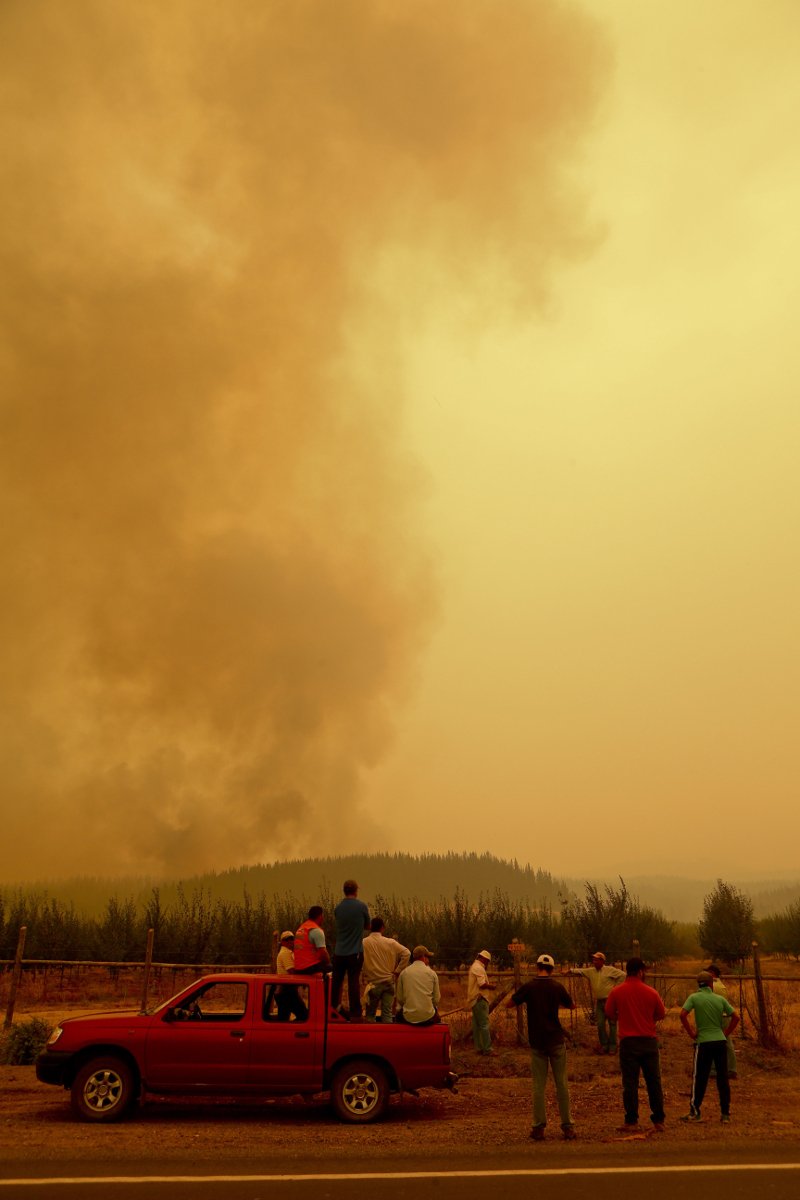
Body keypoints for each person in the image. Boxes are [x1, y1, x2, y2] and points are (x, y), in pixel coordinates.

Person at [507, 953, 576, 1141]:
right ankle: (567, 1126)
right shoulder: (557, 987)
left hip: (537, 1041)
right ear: (552, 969)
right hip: (556, 1040)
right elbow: (572, 1005)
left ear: (537, 967)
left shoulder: (529, 987)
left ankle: (538, 1127)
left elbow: (510, 1003)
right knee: (561, 1083)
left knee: (538, 1085)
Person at [604, 957, 666, 1132]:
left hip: (628, 1042)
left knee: (630, 1083)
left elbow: (609, 1012)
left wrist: (623, 1017)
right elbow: (661, 1014)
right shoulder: (651, 992)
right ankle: (658, 1119)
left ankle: (631, 1120)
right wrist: (647, 1019)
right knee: (653, 1081)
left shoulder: (617, 992)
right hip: (648, 1041)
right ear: (640, 971)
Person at [680, 970, 740, 1124]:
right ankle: (725, 1114)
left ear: (698, 984)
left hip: (703, 1042)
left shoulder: (694, 997)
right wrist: (725, 1033)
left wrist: (691, 1033)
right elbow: (736, 1017)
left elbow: (682, 1015)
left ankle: (695, 1111)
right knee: (722, 1078)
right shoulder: (719, 999)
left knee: (699, 1077)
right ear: (710, 984)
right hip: (720, 1041)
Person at [566, 951, 625, 1054]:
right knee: (600, 1024)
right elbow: (581, 971)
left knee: (612, 1024)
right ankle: (604, 1045)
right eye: (593, 960)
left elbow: (623, 975)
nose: (594, 961)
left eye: (596, 960)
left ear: (602, 961)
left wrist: (615, 988)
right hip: (599, 1002)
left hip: (610, 1000)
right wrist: (570, 970)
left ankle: (612, 1046)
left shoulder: (610, 970)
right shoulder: (591, 971)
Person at [331, 879, 370, 1019]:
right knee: (353, 982)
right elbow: (367, 926)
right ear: (356, 891)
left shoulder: (338, 908)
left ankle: (333, 1008)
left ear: (344, 891)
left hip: (339, 952)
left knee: (337, 982)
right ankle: (355, 1012)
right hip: (355, 952)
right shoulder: (361, 907)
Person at [361, 917, 411, 1023]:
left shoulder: (363, 943)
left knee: (370, 1015)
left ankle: (371, 1037)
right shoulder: (391, 943)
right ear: (382, 928)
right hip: (389, 982)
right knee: (387, 1013)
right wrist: (398, 970)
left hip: (373, 984)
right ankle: (387, 1036)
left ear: (370, 927)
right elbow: (407, 953)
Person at [395, 945, 441, 1026]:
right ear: (423, 957)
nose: (428, 961)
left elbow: (400, 999)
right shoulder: (432, 974)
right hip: (428, 1018)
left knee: (398, 1016)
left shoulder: (404, 973)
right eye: (428, 958)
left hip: (408, 1017)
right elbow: (436, 1000)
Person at [706, 963, 738, 1078]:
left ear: (712, 974)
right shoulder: (718, 985)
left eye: (707, 972)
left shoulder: (714, 986)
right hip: (722, 1016)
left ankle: (729, 1069)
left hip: (720, 1017)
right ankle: (726, 1068)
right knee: (722, 1042)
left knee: (721, 1042)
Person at [467, 950, 497, 1055]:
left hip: (474, 999)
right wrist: (491, 986)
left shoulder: (474, 966)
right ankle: (487, 1049)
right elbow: (482, 984)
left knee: (477, 1025)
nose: (487, 963)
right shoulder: (478, 968)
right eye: (488, 961)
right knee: (484, 1024)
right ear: (484, 959)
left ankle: (479, 1048)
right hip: (480, 999)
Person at [274, 930, 308, 1021]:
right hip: (287, 990)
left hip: (285, 990)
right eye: (287, 940)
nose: (290, 941)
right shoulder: (285, 953)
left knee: (284, 1019)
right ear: (282, 942)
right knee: (304, 1015)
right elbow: (292, 971)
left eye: (292, 939)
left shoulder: (287, 952)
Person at [292, 906, 331, 975]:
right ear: (320, 916)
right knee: (337, 969)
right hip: (310, 967)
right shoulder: (316, 930)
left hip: (298, 967)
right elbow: (323, 953)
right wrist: (328, 962)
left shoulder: (301, 928)